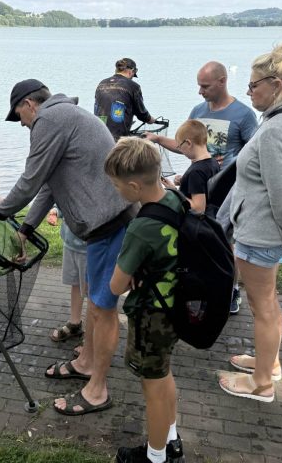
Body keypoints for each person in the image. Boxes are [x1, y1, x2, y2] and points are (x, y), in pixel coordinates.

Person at [0, 79, 135, 416]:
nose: (20, 123)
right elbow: (49, 185)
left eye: (18, 114)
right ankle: (86, 363)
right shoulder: (67, 117)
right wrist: (24, 229)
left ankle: (97, 390)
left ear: (29, 104)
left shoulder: (49, 120)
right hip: (100, 226)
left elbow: (30, 179)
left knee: (104, 309)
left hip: (111, 223)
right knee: (96, 303)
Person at [219, 41, 282, 402]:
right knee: (268, 303)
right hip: (266, 230)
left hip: (260, 233)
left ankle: (261, 383)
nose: (248, 91)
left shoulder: (277, 129)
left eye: (253, 85)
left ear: (275, 84)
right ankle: (268, 362)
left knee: (263, 308)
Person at [148, 61, 258, 314]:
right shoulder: (198, 110)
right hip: (199, 186)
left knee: (227, 244)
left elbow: (254, 152)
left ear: (222, 81)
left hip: (228, 194)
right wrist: (156, 139)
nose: (200, 91)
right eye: (199, 85)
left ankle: (231, 291)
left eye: (205, 86)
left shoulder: (243, 115)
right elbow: (185, 145)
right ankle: (206, 289)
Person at [107, 137, 184, 463]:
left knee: (152, 387)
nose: (117, 191)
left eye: (118, 185)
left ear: (135, 186)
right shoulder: (175, 200)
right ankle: (171, 438)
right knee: (163, 374)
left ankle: (156, 457)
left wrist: (130, 272)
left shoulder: (141, 227)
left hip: (151, 316)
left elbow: (115, 286)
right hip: (175, 306)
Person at [46, 205, 87, 345]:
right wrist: (55, 211)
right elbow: (66, 202)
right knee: (75, 284)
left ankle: (93, 338)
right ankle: (75, 323)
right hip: (71, 244)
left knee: (95, 295)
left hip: (91, 247)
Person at [162, 119, 219, 213]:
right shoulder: (213, 162)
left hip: (195, 224)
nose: (180, 149)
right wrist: (184, 181)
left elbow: (198, 209)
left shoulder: (196, 172)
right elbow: (205, 187)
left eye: (179, 146)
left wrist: (174, 192)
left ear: (188, 143)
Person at [94, 58, 155, 140]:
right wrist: (151, 120)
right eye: (133, 75)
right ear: (131, 71)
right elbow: (141, 114)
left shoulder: (102, 83)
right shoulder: (133, 86)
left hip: (100, 132)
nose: (132, 78)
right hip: (118, 136)